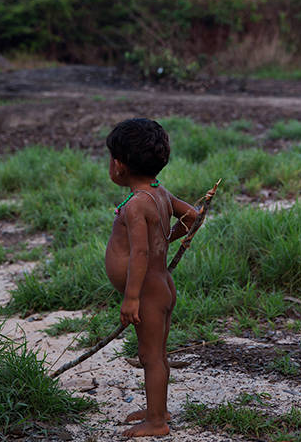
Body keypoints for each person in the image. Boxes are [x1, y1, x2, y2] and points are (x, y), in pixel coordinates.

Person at [104, 118, 197, 437]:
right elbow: (192, 215)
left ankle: (157, 422)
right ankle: (159, 408)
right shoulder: (159, 193)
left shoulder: (135, 205)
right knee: (158, 353)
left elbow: (140, 255)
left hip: (147, 294)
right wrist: (169, 237)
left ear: (119, 166)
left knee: (150, 356)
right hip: (162, 287)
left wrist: (131, 298)